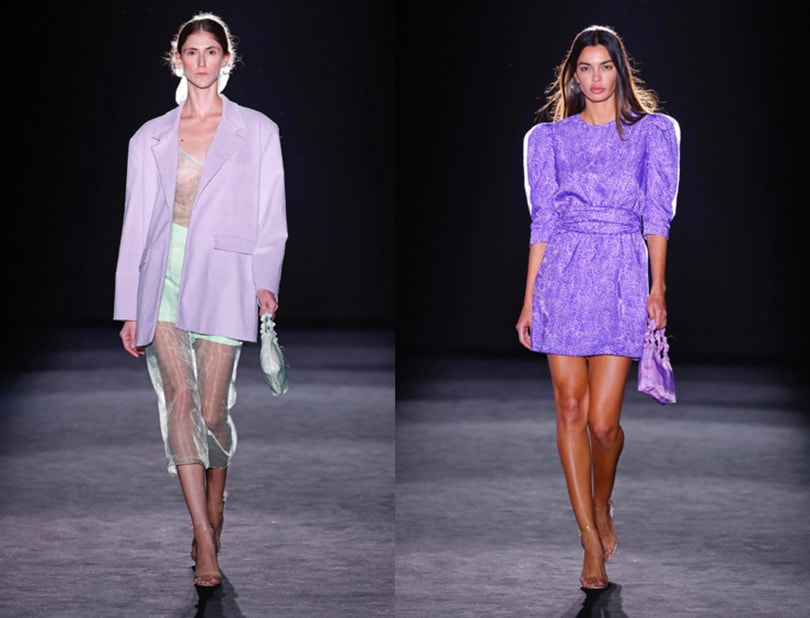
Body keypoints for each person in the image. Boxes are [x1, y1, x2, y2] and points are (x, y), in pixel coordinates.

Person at [113, 13, 288, 588]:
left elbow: (271, 214)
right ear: (178, 60)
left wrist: (265, 280)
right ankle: (204, 538)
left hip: (224, 276)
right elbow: (136, 223)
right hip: (161, 278)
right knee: (181, 401)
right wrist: (128, 304)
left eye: (212, 51)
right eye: (192, 51)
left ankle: (215, 509)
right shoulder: (150, 136)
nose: (202, 61)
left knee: (212, 413)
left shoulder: (257, 130)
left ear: (226, 59)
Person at [515, 25, 679, 590]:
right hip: (563, 273)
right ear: (573, 77)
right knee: (570, 409)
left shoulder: (653, 133)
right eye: (584, 69)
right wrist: (528, 300)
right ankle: (588, 538)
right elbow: (543, 221)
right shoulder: (549, 139)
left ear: (619, 70)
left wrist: (657, 288)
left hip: (621, 275)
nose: (595, 78)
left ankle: (602, 501)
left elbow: (657, 213)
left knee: (604, 425)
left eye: (604, 67)